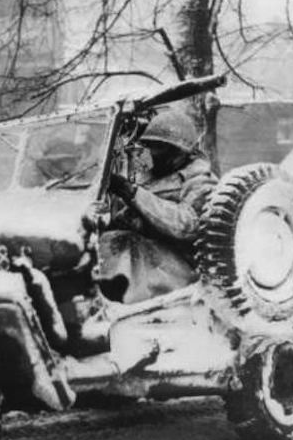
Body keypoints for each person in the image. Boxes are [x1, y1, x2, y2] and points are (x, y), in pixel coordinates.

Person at [92, 109, 219, 304]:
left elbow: (188, 225)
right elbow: (132, 219)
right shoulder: (151, 179)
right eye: (151, 147)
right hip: (144, 264)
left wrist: (132, 193)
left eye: (160, 148)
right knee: (106, 242)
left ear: (180, 150)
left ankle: (113, 302)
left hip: (181, 271)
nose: (153, 154)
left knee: (126, 242)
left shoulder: (200, 181)